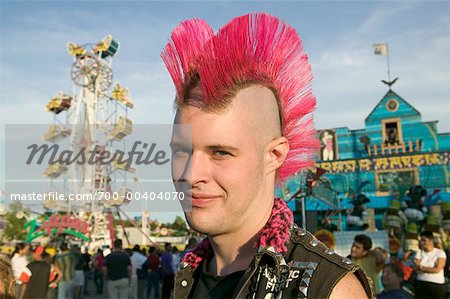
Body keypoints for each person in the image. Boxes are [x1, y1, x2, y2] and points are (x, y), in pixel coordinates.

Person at [162, 12, 373, 298]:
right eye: (181, 151)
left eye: (220, 152)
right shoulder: (184, 278)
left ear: (274, 154)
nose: (190, 174)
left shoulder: (326, 289)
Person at [413, 230, 446, 298]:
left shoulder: (440, 253)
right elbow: (416, 268)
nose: (421, 242)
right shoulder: (419, 252)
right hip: (421, 283)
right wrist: (431, 268)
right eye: (421, 240)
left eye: (424, 240)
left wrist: (421, 268)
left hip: (436, 285)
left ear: (431, 240)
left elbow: (437, 269)